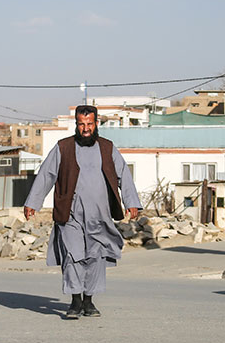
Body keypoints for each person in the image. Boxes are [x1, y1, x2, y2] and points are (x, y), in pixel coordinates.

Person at [23, 105, 141, 320]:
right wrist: (33, 202)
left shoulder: (107, 147)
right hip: (71, 213)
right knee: (73, 254)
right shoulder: (63, 147)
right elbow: (46, 174)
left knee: (96, 256)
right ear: (76, 125)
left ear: (96, 124)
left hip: (100, 214)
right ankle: (75, 300)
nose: (86, 129)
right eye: (81, 124)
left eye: (89, 124)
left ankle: (89, 300)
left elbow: (124, 174)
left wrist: (131, 202)